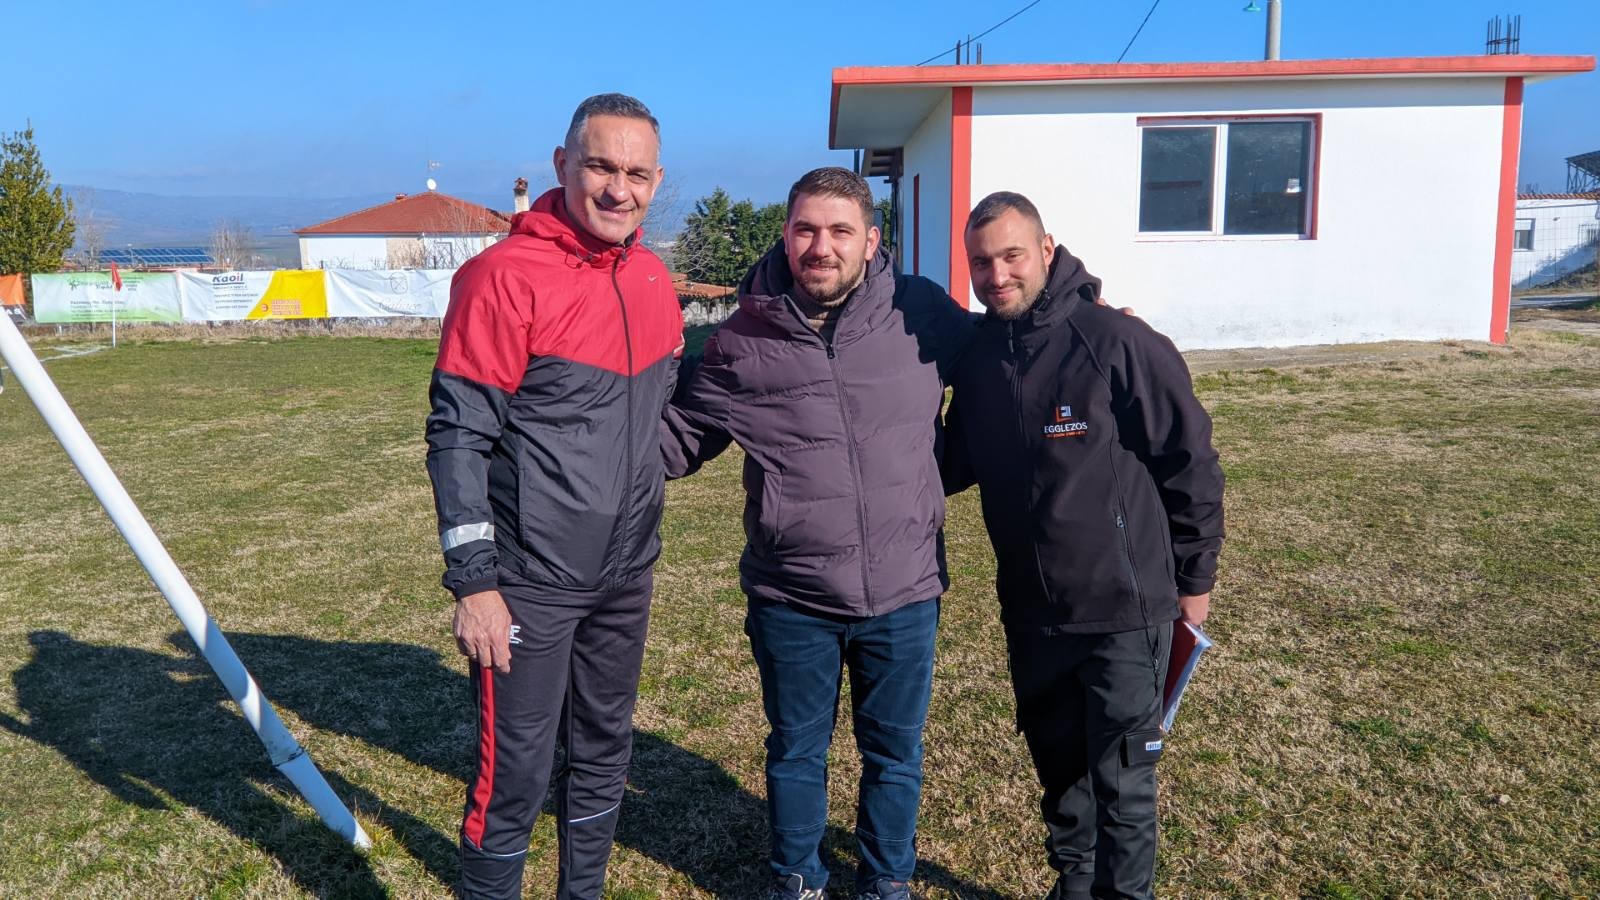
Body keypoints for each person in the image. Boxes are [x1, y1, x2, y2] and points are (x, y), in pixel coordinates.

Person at [661, 167, 973, 900]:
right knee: (797, 752)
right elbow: (675, 442)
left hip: (904, 588)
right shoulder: (740, 342)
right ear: (786, 235)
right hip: (792, 595)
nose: (821, 247)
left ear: (872, 240)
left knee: (894, 754)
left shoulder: (923, 312)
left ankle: (887, 881)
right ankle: (798, 876)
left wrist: (1088, 324)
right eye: (806, 229)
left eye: (839, 231)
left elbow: (1008, 364)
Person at [424, 93, 683, 899]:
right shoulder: (500, 277)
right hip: (529, 583)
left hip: (625, 573)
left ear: (657, 182)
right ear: (563, 165)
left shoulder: (653, 278)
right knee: (516, 777)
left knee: (605, 754)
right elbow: (458, 438)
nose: (618, 189)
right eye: (601, 166)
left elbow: (658, 416)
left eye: (636, 173)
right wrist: (476, 585)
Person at [941, 191, 1224, 900]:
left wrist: (1195, 582)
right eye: (981, 262)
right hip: (1033, 614)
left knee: (1123, 785)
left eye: (1012, 256)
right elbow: (950, 464)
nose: (997, 275)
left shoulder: (1116, 342)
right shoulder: (979, 361)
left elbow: (1189, 463)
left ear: (1046, 249)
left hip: (1123, 612)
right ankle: (1074, 885)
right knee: (1061, 773)